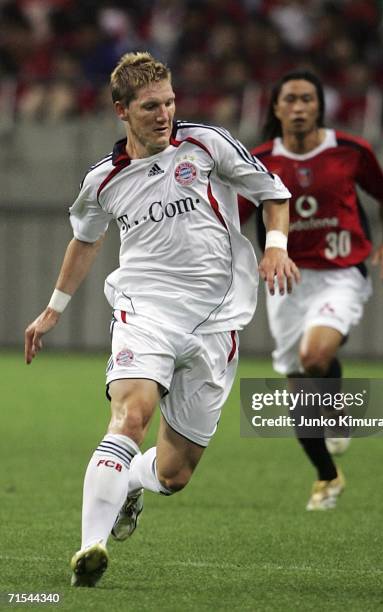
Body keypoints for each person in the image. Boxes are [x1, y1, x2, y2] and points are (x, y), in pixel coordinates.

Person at [24, 51, 299, 587]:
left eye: (170, 102)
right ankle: (90, 549)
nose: (164, 114)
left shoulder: (208, 145)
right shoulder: (103, 180)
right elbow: (85, 238)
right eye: (151, 106)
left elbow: (274, 194)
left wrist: (276, 246)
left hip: (217, 322)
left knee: (174, 474)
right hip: (143, 312)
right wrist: (53, 310)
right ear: (121, 110)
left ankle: (131, 483)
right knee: (130, 417)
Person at [239, 70, 383, 511]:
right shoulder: (258, 160)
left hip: (341, 273)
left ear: (319, 106)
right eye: (290, 99)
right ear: (275, 108)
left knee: (314, 356)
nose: (300, 107)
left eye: (308, 99)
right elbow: (231, 214)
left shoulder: (350, 150)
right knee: (300, 387)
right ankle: (327, 477)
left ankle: (338, 412)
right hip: (286, 279)